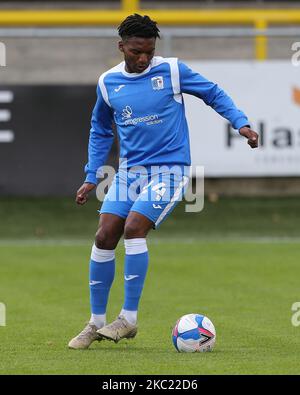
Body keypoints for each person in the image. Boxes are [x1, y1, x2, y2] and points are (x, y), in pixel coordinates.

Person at [68, 14, 258, 349]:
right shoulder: (108, 82)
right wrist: (90, 175)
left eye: (149, 52)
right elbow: (99, 130)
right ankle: (95, 322)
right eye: (136, 51)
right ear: (122, 47)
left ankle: (128, 319)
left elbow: (212, 92)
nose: (143, 58)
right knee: (104, 234)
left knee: (134, 227)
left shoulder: (171, 70)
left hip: (170, 170)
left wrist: (240, 123)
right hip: (128, 172)